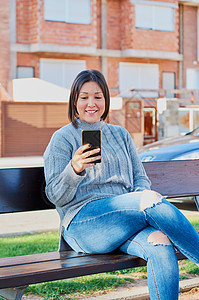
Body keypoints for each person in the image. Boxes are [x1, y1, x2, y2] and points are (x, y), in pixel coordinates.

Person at [44, 69, 199, 300]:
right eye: (84, 97)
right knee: (149, 200)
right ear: (74, 101)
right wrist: (74, 169)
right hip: (84, 225)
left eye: (98, 97)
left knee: (160, 242)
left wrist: (136, 205)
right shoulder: (63, 138)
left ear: (106, 100)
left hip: (125, 221)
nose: (91, 103)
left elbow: (140, 179)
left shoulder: (121, 135)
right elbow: (55, 196)